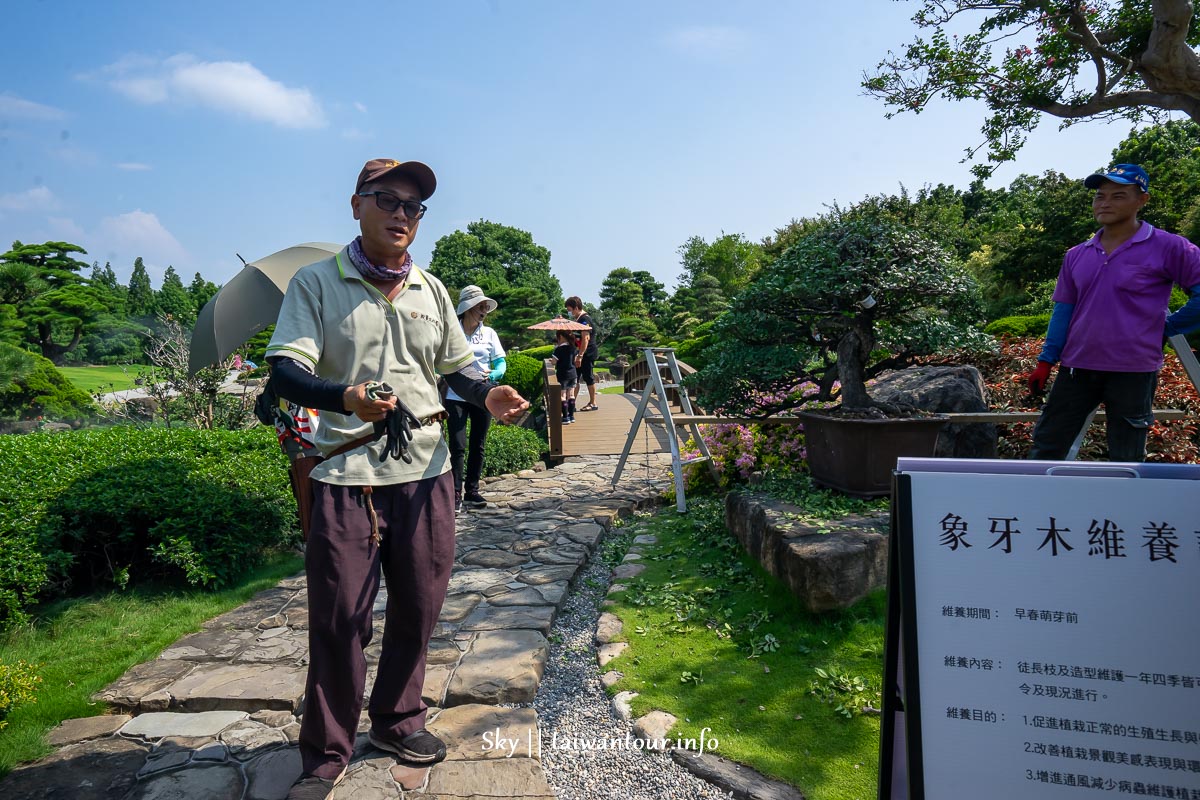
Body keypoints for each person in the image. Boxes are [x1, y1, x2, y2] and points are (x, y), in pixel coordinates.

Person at [264, 158, 529, 800]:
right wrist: (345, 395)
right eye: (388, 199)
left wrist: (488, 396)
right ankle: (328, 747)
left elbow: (458, 370)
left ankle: (397, 718)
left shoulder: (432, 290)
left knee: (420, 602)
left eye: (413, 206)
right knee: (337, 615)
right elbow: (284, 373)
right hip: (344, 470)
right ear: (356, 205)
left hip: (427, 469)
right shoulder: (316, 284)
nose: (401, 214)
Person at [1026, 163, 1200, 462]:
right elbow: (1063, 312)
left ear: (1141, 200)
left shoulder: (1169, 247)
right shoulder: (1077, 254)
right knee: (1046, 448)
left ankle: (1122, 510)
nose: (1105, 202)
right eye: (1099, 195)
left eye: (1118, 195)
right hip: (1076, 368)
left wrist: (1167, 327)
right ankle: (1036, 508)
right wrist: (1045, 361)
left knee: (1127, 458)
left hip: (1133, 371)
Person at [445, 285, 506, 512]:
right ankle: (455, 493)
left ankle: (472, 490)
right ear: (468, 307)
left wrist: (497, 372)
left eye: (485, 307)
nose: (484, 310)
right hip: (455, 395)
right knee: (457, 445)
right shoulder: (451, 332)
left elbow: (500, 361)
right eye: (480, 306)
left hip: (482, 394)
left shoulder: (489, 334)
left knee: (478, 444)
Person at [564, 296, 598, 411]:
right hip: (579, 353)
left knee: (588, 377)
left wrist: (580, 355)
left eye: (570, 310)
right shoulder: (578, 320)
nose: (569, 312)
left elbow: (586, 339)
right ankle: (571, 403)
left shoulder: (585, 320)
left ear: (576, 308)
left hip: (587, 353)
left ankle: (593, 403)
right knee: (575, 378)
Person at [552, 329, 578, 424]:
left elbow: (554, 362)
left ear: (561, 337)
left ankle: (565, 417)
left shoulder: (559, 349)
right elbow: (574, 360)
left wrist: (553, 360)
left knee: (562, 396)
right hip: (573, 373)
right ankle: (572, 416)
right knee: (571, 395)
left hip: (563, 374)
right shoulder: (573, 348)